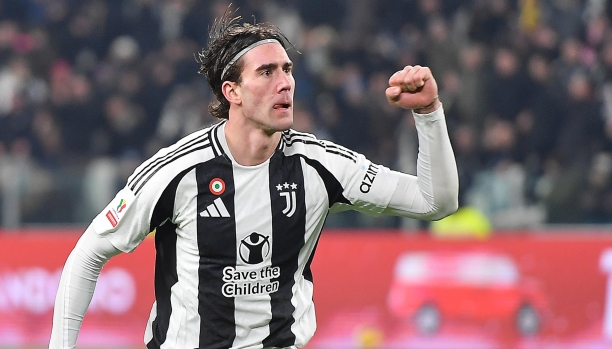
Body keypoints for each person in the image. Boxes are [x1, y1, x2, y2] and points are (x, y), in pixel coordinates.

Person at [49, 11, 459, 349]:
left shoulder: (319, 165)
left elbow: (435, 201)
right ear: (233, 91)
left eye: (287, 69)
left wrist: (428, 113)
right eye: (266, 72)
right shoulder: (178, 171)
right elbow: (87, 254)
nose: (285, 82)